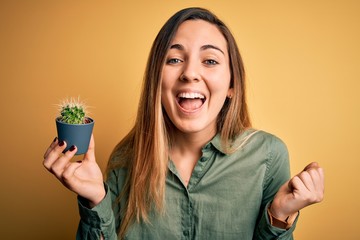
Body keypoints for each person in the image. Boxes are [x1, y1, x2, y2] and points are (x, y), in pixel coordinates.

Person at [43, 7, 324, 240]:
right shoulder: (125, 159)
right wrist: (95, 201)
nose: (190, 73)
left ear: (232, 85)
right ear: (157, 80)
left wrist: (279, 215)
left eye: (210, 60)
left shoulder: (269, 157)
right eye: (174, 59)